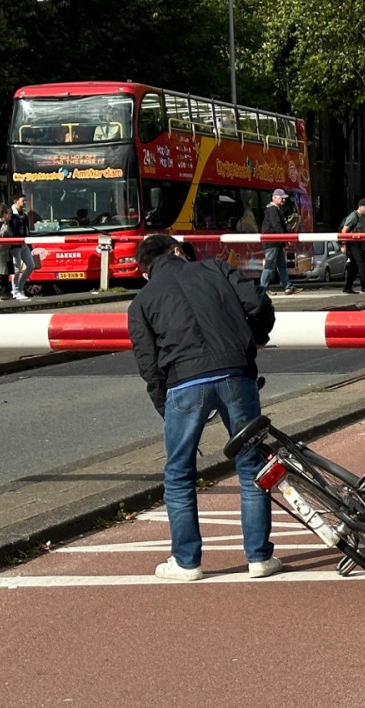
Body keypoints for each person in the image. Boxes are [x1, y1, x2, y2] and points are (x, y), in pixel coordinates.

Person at [126, 233, 280, 581]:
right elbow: (257, 303)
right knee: (250, 465)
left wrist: (165, 407)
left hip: (184, 382)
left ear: (145, 272)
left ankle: (186, 562)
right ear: (178, 251)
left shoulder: (141, 302)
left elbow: (148, 364)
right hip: (236, 374)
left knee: (179, 475)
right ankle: (258, 557)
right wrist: (255, 339)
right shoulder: (214, 268)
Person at [259, 188, 299, 295]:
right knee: (269, 265)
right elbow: (277, 226)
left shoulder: (274, 209)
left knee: (281, 265)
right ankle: (264, 289)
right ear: (275, 198)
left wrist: (285, 239)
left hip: (276, 243)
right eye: (282, 198)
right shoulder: (273, 210)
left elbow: (279, 226)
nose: (284, 200)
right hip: (272, 243)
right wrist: (286, 238)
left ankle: (288, 286)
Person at [340, 197, 365, 294]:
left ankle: (348, 287)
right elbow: (344, 231)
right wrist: (344, 245)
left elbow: (362, 233)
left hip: (358, 243)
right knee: (362, 264)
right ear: (360, 206)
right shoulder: (354, 216)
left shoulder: (363, 218)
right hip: (352, 243)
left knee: (354, 267)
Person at [7, 194, 34, 300]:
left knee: (31, 265)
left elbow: (27, 230)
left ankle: (20, 287)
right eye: (23, 201)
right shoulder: (11, 214)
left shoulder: (24, 214)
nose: (25, 203)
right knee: (16, 269)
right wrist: (11, 246)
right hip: (15, 245)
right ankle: (15, 291)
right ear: (16, 201)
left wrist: (29, 244)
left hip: (24, 244)